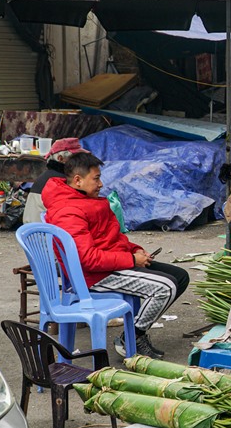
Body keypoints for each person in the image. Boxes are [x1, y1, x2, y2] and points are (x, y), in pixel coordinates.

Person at [42, 152, 188, 359]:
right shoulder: (67, 211)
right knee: (165, 288)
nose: (101, 184)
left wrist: (134, 249)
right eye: (96, 178)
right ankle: (132, 338)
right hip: (93, 276)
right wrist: (131, 260)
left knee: (180, 276)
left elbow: (112, 237)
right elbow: (88, 259)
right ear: (77, 180)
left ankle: (133, 334)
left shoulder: (89, 201)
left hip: (113, 262)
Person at [23, 138, 88, 223]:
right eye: (75, 158)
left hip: (33, 230)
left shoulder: (49, 175)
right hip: (44, 232)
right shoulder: (60, 180)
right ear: (60, 159)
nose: (80, 162)